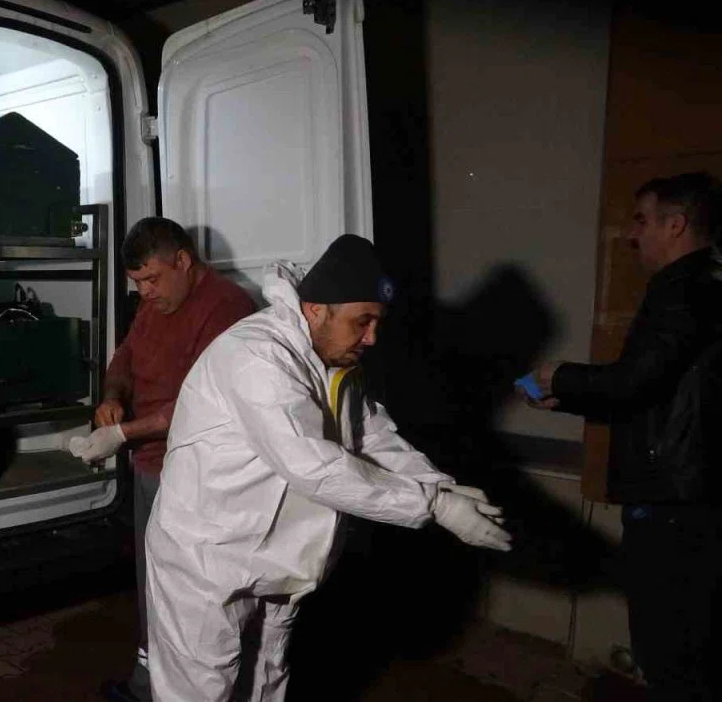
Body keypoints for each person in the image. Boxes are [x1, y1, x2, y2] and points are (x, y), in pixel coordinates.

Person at [144, 234, 512, 702]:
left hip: (276, 557)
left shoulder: (331, 359)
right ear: (316, 310)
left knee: (266, 678)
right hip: (206, 556)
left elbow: (370, 436)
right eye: (362, 321)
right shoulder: (256, 356)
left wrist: (439, 487)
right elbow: (312, 464)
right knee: (200, 690)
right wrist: (433, 506)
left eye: (377, 322)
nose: (372, 337)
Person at [523, 171, 721, 702]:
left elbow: (637, 380)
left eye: (641, 220)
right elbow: (656, 393)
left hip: (672, 501)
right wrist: (568, 397)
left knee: (669, 646)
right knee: (681, 642)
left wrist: (559, 376)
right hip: (686, 496)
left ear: (676, 225)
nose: (632, 235)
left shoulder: (684, 290)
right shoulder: (702, 285)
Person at [68, 216, 255, 702]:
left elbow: (205, 405)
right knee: (154, 584)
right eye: (137, 283)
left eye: (151, 279)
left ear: (184, 261)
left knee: (191, 595)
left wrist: (121, 433)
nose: (144, 292)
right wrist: (113, 397)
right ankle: (147, 684)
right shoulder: (155, 305)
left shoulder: (227, 309)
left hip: (193, 472)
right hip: (150, 464)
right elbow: (126, 358)